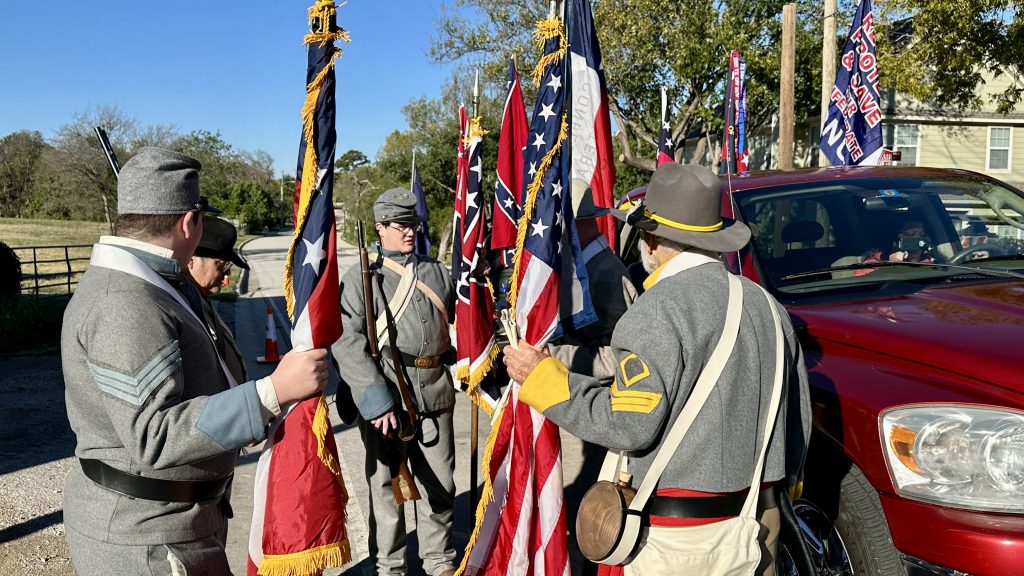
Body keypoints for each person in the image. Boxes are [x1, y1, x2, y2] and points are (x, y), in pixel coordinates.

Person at [503, 163, 812, 575]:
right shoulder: (767, 306)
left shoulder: (655, 312)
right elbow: (798, 424)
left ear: (650, 241)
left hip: (682, 537)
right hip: (760, 521)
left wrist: (543, 378)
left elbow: (629, 425)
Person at [61, 147, 328, 575]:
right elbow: (154, 437)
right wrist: (271, 392)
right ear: (189, 221)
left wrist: (243, 420)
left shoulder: (159, 283)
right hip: (147, 537)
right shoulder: (125, 301)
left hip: (176, 522)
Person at [332, 188, 457, 576]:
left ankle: (438, 561)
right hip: (387, 396)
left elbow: (463, 317)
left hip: (434, 389)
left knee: (441, 487)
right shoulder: (360, 278)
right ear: (379, 227)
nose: (408, 232)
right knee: (387, 491)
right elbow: (346, 341)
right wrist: (376, 399)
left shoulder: (436, 271)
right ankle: (389, 567)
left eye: (413, 225)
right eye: (400, 225)